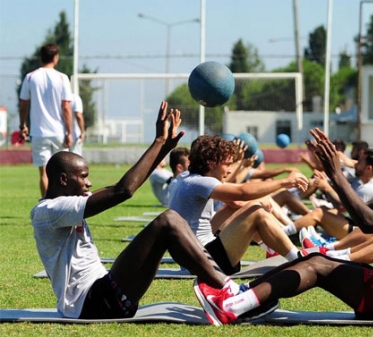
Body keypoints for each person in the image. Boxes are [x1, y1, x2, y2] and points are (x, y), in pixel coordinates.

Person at [194, 127, 373, 325]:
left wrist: (337, 174)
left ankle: (231, 307)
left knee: (317, 265)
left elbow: (369, 222)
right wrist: (332, 174)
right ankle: (244, 297)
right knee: (316, 258)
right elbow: (363, 210)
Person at [30, 101, 243, 320]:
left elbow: (124, 186)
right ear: (63, 179)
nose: (89, 183)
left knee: (172, 221)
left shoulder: (65, 203)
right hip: (92, 302)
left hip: (106, 294)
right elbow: (123, 191)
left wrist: (164, 149)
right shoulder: (48, 211)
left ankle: (227, 289)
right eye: (83, 177)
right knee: (168, 221)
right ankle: (229, 292)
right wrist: (158, 142)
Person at [168, 135, 310, 276]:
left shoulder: (186, 178)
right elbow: (242, 192)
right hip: (205, 261)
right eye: (227, 164)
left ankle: (272, 249)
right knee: (256, 212)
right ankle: (298, 259)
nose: (229, 170)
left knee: (239, 207)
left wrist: (258, 199)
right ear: (211, 164)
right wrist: (285, 182)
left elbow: (235, 201)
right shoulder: (200, 183)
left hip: (194, 257)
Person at [296, 148, 373, 241]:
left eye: (360, 162)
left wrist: (326, 187)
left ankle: (286, 232)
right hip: (361, 228)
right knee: (325, 210)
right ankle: (295, 233)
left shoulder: (369, 189)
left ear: (369, 168)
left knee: (319, 213)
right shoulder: (369, 185)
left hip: (362, 232)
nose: (355, 164)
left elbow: (342, 207)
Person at [19, 43, 73, 197]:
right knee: (63, 171)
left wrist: (23, 125)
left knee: (43, 171)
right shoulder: (62, 78)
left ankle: (46, 204)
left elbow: (23, 104)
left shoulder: (30, 77)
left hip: (38, 132)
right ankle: (62, 204)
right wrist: (69, 131)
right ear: (55, 58)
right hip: (58, 132)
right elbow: (66, 107)